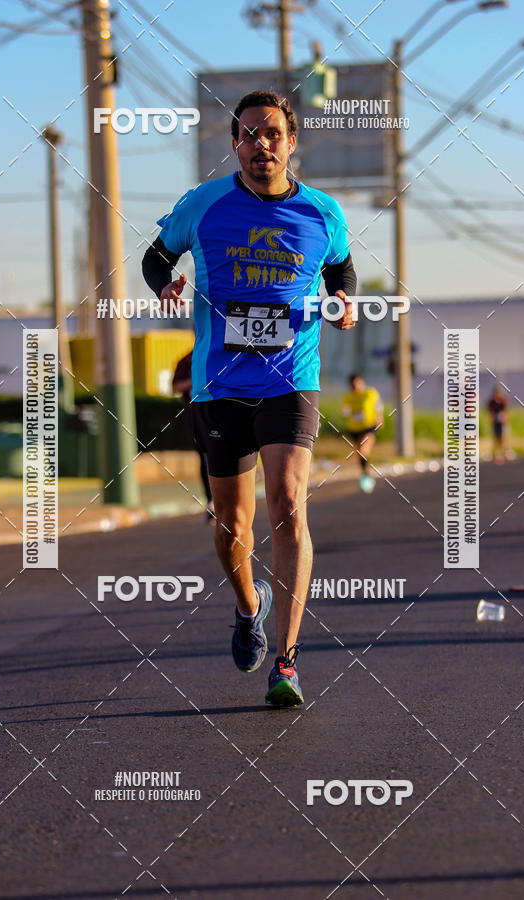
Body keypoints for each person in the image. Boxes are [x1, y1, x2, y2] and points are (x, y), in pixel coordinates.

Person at [142, 89, 356, 706]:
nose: (262, 145)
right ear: (234, 144)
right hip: (219, 382)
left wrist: (341, 301)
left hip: (292, 377)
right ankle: (247, 605)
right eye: (249, 135)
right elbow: (156, 257)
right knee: (230, 526)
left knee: (288, 502)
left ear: (292, 143)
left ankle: (286, 662)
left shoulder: (322, 212)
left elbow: (342, 268)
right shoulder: (204, 205)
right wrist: (167, 282)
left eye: (273, 134)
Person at [172, 349, 214, 523]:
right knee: (204, 456)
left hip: (222, 409)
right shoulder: (187, 360)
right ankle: (211, 501)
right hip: (196, 412)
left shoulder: (218, 351)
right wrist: (195, 380)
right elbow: (175, 387)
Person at [341, 373, 383, 492]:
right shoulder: (348, 397)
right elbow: (344, 411)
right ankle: (365, 473)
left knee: (364, 450)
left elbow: (378, 405)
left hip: (369, 427)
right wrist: (347, 412)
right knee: (359, 453)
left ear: (362, 382)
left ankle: (366, 476)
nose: (356, 387)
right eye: (353, 385)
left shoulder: (370, 393)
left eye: (358, 384)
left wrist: (379, 417)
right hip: (354, 429)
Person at [487, 385, 509, 464]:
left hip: (502, 422)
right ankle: (496, 454)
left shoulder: (503, 400)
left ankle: (504, 453)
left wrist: (505, 419)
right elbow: (490, 412)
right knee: (495, 438)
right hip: (495, 422)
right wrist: (492, 418)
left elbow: (505, 412)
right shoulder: (491, 402)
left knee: (502, 438)